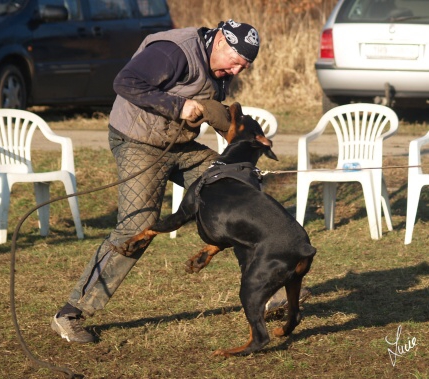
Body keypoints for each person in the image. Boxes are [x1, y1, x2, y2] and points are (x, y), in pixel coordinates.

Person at [51, 19, 307, 343]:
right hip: (138, 142)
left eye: (244, 67)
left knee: (239, 192)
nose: (237, 72)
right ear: (221, 44)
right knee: (137, 226)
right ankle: (70, 313)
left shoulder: (220, 70)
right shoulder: (175, 52)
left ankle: (269, 293)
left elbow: (214, 112)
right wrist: (179, 105)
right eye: (236, 63)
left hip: (179, 145)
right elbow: (125, 81)